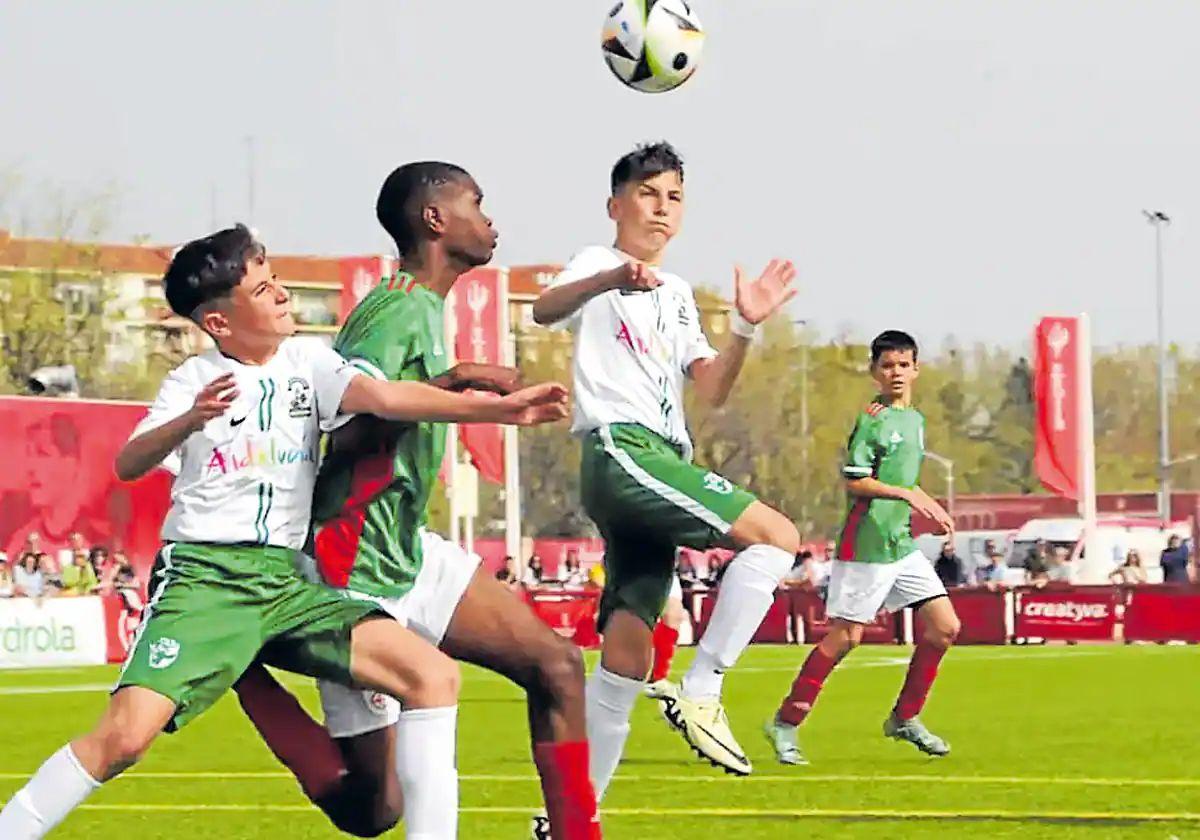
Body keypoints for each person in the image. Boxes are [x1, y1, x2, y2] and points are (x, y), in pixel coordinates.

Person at [0, 223, 568, 840]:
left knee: (432, 677)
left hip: (287, 584)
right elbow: (129, 462)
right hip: (208, 584)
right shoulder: (192, 381)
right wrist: (189, 419)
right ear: (219, 323)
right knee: (124, 740)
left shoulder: (310, 362)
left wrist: (498, 409)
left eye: (276, 282)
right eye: (263, 289)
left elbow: (387, 399)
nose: (282, 295)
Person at [231, 164, 601, 840]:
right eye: (477, 205)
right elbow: (344, 432)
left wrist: (454, 382)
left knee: (557, 666)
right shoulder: (392, 311)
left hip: (404, 548)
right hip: (352, 564)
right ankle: (245, 670)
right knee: (373, 811)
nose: (491, 221)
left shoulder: (427, 308)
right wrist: (457, 385)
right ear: (435, 219)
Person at [532, 140, 800, 785]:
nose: (662, 208)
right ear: (615, 205)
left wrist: (744, 327)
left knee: (627, 656)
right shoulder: (598, 262)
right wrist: (610, 279)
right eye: (648, 194)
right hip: (622, 449)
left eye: (674, 197)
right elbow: (544, 310)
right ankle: (703, 689)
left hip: (657, 456)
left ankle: (571, 817)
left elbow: (711, 387)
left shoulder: (677, 292)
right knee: (778, 536)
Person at [765, 331, 960, 765]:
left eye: (903, 365)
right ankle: (786, 722)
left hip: (900, 544)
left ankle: (904, 717)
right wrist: (905, 495)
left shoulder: (915, 420)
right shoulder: (872, 420)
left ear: (916, 369)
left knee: (945, 627)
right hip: (866, 545)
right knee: (845, 637)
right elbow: (856, 481)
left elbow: (905, 482)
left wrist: (929, 506)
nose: (896, 373)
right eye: (887, 366)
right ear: (874, 372)